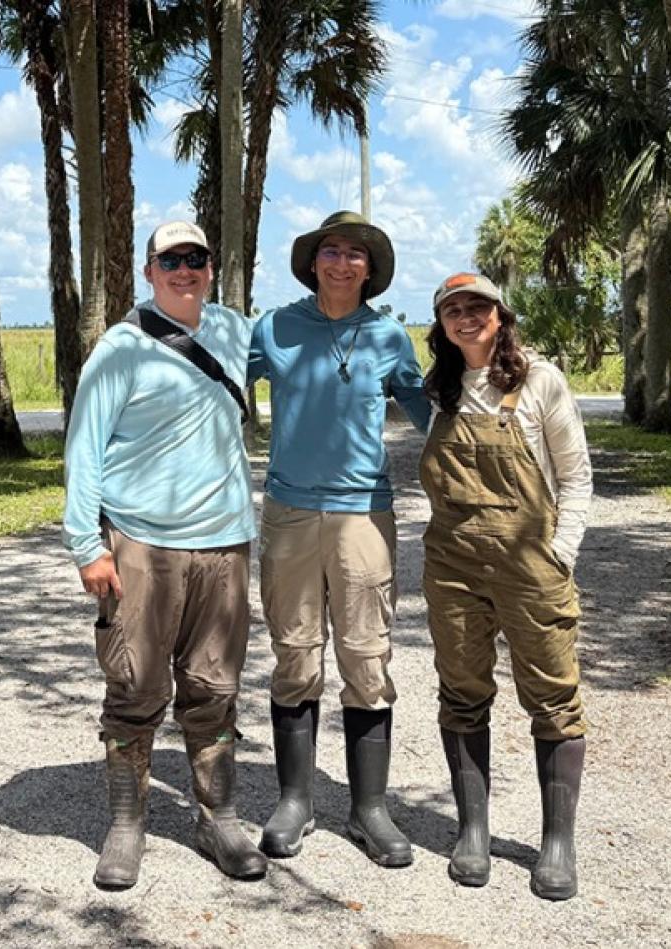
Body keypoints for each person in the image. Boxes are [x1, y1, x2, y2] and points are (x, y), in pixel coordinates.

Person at [62, 221, 266, 890]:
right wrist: (87, 546)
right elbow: (83, 449)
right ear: (149, 271)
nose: (185, 269)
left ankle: (219, 815)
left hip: (225, 543)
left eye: (196, 258)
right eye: (171, 259)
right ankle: (127, 823)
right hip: (143, 544)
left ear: (212, 267)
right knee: (135, 686)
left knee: (214, 687)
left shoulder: (237, 332)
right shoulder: (118, 351)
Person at [248, 211, 432, 868]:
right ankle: (294, 799)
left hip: (365, 515)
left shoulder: (388, 336)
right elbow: (217, 386)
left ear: (370, 269)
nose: (342, 262)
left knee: (366, 656)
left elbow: (429, 412)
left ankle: (369, 809)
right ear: (313, 261)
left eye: (355, 253)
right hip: (290, 514)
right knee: (295, 654)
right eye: (331, 250)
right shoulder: (273, 328)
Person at [419, 272, 593, 900]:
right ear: (442, 325)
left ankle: (556, 843)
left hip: (530, 566)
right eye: (453, 310)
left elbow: (575, 478)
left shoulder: (539, 381)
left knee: (552, 696)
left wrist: (561, 554)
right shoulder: (439, 389)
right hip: (453, 566)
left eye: (478, 308)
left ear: (500, 315)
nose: (467, 318)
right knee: (461, 691)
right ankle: (472, 831)